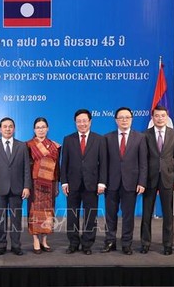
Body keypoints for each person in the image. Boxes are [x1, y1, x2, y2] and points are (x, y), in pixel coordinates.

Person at [102, 107, 147, 255]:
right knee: (110, 214)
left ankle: (127, 243)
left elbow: (143, 163)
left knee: (128, 215)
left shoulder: (140, 138)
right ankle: (110, 241)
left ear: (131, 119)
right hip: (111, 183)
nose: (124, 120)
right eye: (121, 117)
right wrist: (102, 182)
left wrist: (141, 182)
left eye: (127, 117)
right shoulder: (107, 138)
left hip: (131, 183)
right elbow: (103, 163)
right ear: (116, 120)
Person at [61, 109, 106, 255]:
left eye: (84, 121)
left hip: (92, 184)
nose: (82, 124)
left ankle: (87, 244)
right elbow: (64, 163)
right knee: (72, 215)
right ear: (75, 123)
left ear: (90, 121)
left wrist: (102, 182)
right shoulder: (68, 139)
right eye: (79, 121)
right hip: (72, 184)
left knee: (90, 216)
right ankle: (73, 243)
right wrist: (64, 182)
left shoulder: (99, 139)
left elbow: (103, 163)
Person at [0, 117, 31, 256]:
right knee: (0, 219)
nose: (7, 129)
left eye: (10, 126)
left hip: (17, 189)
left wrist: (26, 186)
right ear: (0, 129)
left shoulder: (22, 146)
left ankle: (16, 245)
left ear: (14, 128)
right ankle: (1, 245)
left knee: (16, 219)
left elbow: (26, 169)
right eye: (5, 126)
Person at [140, 105, 174, 255]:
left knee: (168, 214)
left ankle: (168, 244)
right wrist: (142, 181)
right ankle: (145, 243)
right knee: (146, 213)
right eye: (157, 116)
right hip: (149, 179)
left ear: (167, 116)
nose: (159, 118)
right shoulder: (145, 135)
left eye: (162, 115)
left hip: (168, 178)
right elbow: (143, 160)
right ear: (152, 117)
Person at [26, 117, 61, 254]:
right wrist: (27, 186)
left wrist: (57, 184)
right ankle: (35, 240)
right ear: (34, 130)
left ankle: (44, 240)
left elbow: (57, 167)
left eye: (43, 127)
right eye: (38, 127)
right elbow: (26, 168)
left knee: (48, 212)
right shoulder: (28, 145)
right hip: (35, 184)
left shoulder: (55, 146)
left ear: (47, 129)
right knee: (34, 212)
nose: (41, 129)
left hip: (50, 184)